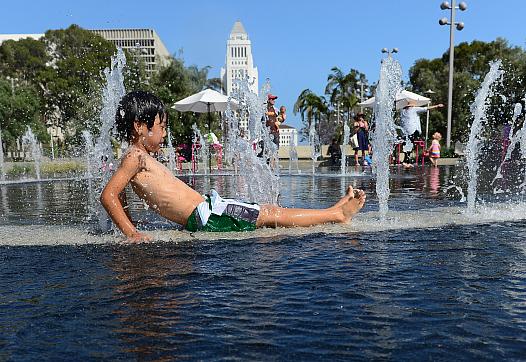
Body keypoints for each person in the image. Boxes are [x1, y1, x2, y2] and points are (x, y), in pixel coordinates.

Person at [100, 91, 366, 242]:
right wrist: (132, 232)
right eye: (161, 127)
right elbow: (109, 195)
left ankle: (332, 210)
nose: (164, 133)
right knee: (271, 214)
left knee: (269, 213)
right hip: (209, 214)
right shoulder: (136, 157)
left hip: (208, 210)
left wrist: (129, 223)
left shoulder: (136, 157)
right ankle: (336, 215)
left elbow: (118, 194)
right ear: (139, 127)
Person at [400, 100, 444, 167]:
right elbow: (426, 108)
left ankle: (406, 162)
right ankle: (406, 162)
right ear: (413, 105)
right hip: (413, 131)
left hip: (404, 132)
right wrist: (437, 106)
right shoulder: (414, 109)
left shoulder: (403, 111)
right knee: (410, 145)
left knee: (407, 146)